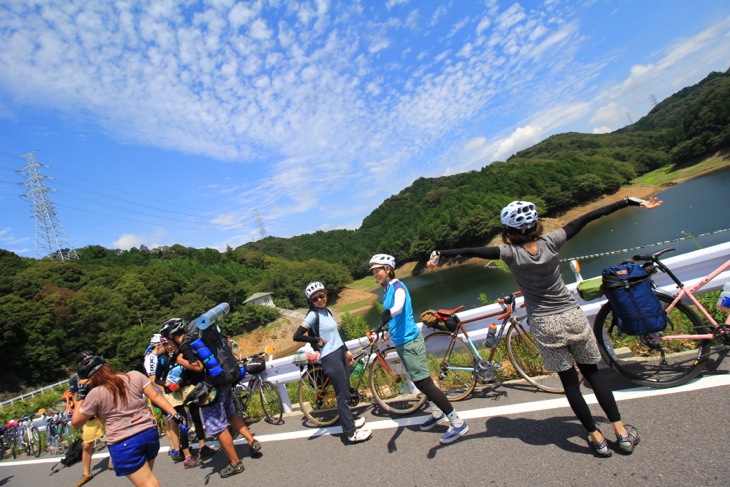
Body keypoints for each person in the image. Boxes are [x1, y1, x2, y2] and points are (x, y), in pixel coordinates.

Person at [429, 197, 661, 456]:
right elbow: (587, 217)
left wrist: (441, 254)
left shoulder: (508, 253)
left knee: (570, 383)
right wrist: (629, 201)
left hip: (544, 323)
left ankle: (596, 439)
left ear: (508, 231)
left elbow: (471, 250)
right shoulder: (553, 241)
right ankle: (621, 432)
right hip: (571, 316)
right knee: (594, 374)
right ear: (536, 224)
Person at [369, 254, 469, 444]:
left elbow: (398, 307)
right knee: (419, 380)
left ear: (388, 270)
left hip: (409, 343)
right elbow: (395, 316)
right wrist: (385, 329)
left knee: (424, 384)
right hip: (401, 342)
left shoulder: (398, 287)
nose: (375, 274)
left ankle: (458, 423)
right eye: (373, 272)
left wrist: (388, 313)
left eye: (378, 270)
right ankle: (437, 413)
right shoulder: (387, 289)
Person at [160, 318, 261, 479]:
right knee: (231, 415)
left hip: (211, 390)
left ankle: (235, 463)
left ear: (172, 335)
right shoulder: (199, 338)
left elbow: (198, 366)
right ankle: (251, 441)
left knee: (218, 427)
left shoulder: (186, 345)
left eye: (168, 337)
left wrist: (180, 360)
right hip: (224, 381)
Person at [71, 355, 186, 487]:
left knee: (149, 483)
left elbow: (75, 423)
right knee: (147, 478)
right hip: (149, 434)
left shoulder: (95, 394)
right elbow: (155, 396)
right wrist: (175, 414)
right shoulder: (134, 376)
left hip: (123, 442)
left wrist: (81, 395)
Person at [293, 281, 372, 443]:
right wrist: (316, 339)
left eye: (322, 296)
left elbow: (336, 336)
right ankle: (350, 433)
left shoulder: (327, 311)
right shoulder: (312, 315)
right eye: (315, 299)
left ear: (326, 294)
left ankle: (349, 420)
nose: (320, 300)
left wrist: (346, 351)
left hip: (340, 354)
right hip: (330, 357)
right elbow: (297, 335)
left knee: (346, 389)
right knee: (342, 396)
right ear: (311, 302)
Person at [155, 320, 201, 469]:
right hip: (172, 395)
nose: (170, 345)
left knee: (195, 417)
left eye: (169, 343)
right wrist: (167, 385)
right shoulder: (164, 360)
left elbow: (188, 371)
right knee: (183, 422)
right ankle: (187, 455)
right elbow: (156, 379)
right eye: (167, 344)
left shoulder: (180, 351)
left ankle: (202, 446)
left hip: (184, 390)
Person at [69, 350, 109, 487]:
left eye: (89, 357)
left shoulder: (100, 371)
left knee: (113, 435)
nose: (88, 359)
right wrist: (78, 412)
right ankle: (86, 472)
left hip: (104, 409)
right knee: (87, 444)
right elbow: (75, 398)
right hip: (89, 414)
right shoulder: (76, 379)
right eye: (84, 359)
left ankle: (113, 461)